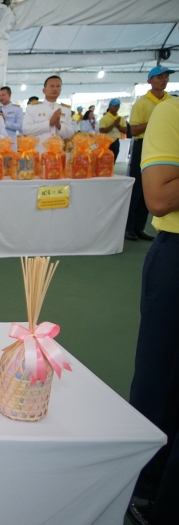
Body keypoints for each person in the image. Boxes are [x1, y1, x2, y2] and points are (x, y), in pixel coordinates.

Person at [127, 93, 179, 525]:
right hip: (176, 255)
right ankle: (142, 487)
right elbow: (159, 198)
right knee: (160, 380)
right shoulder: (170, 111)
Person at [126, 65, 174, 242]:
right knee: (137, 188)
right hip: (143, 146)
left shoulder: (171, 101)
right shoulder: (142, 103)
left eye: (166, 76)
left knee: (158, 188)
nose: (164, 79)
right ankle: (129, 227)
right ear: (149, 81)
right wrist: (157, 119)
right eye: (159, 77)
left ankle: (140, 227)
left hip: (165, 149)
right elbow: (134, 129)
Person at [22, 75, 74, 150]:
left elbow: (70, 134)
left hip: (58, 153)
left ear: (60, 90)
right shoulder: (32, 108)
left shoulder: (66, 109)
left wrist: (59, 125)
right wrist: (49, 123)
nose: (55, 89)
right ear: (44, 90)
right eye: (52, 86)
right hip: (39, 151)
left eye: (58, 86)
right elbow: (26, 130)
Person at [0, 86, 24, 151]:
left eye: (3, 95)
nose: (1, 97)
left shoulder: (17, 109)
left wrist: (4, 122)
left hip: (11, 142)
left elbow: (20, 126)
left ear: (9, 95)